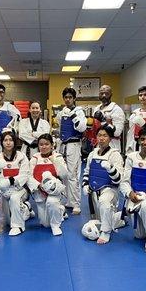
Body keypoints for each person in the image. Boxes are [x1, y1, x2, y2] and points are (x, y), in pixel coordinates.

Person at [120, 127, 146, 252]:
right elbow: (124, 180)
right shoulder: (131, 157)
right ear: (138, 140)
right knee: (139, 235)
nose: (145, 142)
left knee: (145, 206)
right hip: (135, 195)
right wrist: (129, 193)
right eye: (142, 139)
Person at [82, 126, 124, 244]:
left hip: (109, 189)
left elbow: (118, 180)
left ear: (110, 138)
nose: (101, 138)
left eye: (105, 136)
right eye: (99, 135)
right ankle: (120, 219)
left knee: (105, 203)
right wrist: (85, 185)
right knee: (99, 220)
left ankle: (106, 232)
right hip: (94, 189)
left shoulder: (115, 155)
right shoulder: (92, 154)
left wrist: (110, 169)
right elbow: (86, 172)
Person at [0, 131, 30, 236]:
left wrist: (10, 181)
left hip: (20, 189)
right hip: (5, 191)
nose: (8, 143)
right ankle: (26, 209)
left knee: (14, 198)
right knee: (8, 222)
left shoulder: (21, 157)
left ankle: (18, 226)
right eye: (5, 140)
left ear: (15, 142)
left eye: (11, 140)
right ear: (2, 142)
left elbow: (25, 175)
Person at [27, 134, 68, 236]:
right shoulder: (35, 158)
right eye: (41, 144)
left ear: (52, 145)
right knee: (45, 224)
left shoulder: (57, 156)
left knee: (52, 202)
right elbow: (28, 175)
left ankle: (56, 225)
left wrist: (54, 161)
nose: (44, 147)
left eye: (46, 144)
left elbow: (64, 174)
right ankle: (61, 210)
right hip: (40, 191)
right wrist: (38, 185)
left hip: (54, 192)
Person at [56, 87, 87, 215]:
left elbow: (82, 128)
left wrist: (73, 115)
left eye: (70, 97)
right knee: (64, 174)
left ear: (74, 98)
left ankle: (76, 204)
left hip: (74, 145)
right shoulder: (61, 112)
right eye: (66, 97)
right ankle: (68, 201)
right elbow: (60, 125)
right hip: (63, 145)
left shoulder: (79, 112)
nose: (68, 99)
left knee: (73, 175)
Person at [93, 85, 125, 153]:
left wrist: (104, 121)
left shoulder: (116, 109)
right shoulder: (96, 109)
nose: (104, 95)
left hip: (112, 145)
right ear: (99, 95)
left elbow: (117, 133)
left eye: (106, 93)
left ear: (111, 94)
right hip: (98, 145)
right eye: (102, 93)